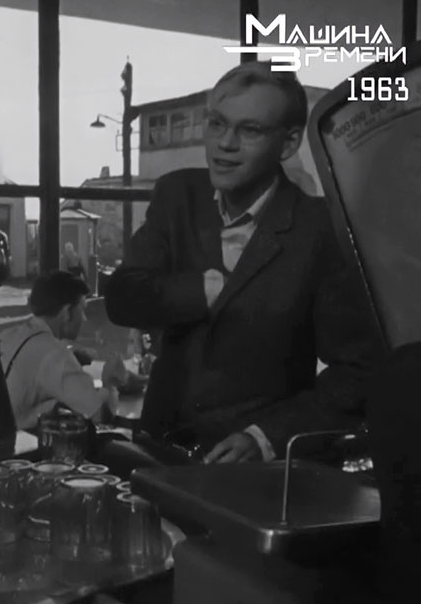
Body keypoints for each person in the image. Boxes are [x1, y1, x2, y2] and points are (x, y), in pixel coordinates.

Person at [103, 61, 382, 463]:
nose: (225, 143)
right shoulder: (177, 195)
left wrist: (266, 437)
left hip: (253, 477)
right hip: (157, 456)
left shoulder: (320, 230)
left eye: (249, 130)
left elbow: (357, 372)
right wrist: (200, 291)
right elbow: (123, 298)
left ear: (288, 144)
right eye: (217, 123)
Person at [0, 271, 126, 430]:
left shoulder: (8, 335)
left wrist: (73, 359)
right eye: (82, 310)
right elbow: (101, 414)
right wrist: (111, 382)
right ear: (67, 312)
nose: (84, 318)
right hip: (15, 440)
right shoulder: (55, 354)